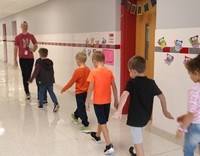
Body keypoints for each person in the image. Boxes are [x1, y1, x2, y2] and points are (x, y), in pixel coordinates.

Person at [112, 55, 174, 156]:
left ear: (133, 71)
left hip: (135, 119)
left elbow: (124, 95)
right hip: (146, 118)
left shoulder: (132, 83)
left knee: (138, 142)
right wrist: (165, 111)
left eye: (129, 71)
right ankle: (135, 151)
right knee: (139, 136)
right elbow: (162, 97)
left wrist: (119, 111)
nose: (129, 73)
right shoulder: (151, 83)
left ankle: (138, 152)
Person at [85, 51, 118, 155]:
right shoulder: (109, 71)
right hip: (107, 101)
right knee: (102, 119)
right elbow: (114, 86)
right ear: (103, 60)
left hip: (98, 102)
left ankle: (109, 145)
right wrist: (116, 99)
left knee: (102, 122)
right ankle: (97, 136)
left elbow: (90, 88)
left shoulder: (93, 72)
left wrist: (87, 101)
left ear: (94, 61)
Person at [176, 54, 200, 156]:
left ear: (196, 73)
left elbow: (192, 114)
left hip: (195, 126)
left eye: (190, 74)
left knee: (188, 151)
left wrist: (182, 128)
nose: (190, 76)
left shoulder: (195, 89)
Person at [61, 51, 90, 133]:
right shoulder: (88, 70)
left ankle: (86, 124)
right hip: (86, 92)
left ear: (77, 61)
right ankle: (75, 115)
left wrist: (64, 89)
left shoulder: (77, 71)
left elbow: (71, 82)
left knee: (81, 107)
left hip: (79, 93)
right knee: (81, 106)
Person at [28, 48, 59, 112]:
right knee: (51, 92)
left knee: (41, 92)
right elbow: (52, 72)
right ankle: (56, 103)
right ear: (47, 54)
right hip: (50, 81)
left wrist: (31, 79)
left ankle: (41, 105)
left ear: (40, 54)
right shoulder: (50, 62)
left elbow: (35, 73)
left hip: (42, 81)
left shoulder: (39, 63)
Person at [14, 21, 38, 99]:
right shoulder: (18, 37)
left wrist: (33, 49)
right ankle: (27, 91)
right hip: (22, 59)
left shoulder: (31, 36)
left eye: (26, 26)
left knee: (28, 75)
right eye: (24, 26)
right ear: (21, 27)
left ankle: (26, 87)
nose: (25, 27)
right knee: (25, 75)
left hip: (30, 58)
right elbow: (15, 48)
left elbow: (36, 45)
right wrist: (15, 59)